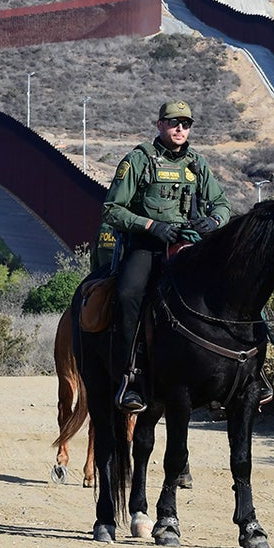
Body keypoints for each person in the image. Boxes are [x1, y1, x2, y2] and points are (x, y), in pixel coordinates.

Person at [102, 99, 231, 414]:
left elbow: (223, 205)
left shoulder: (198, 164)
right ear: (160, 124)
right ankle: (130, 378)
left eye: (186, 124)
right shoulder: (138, 160)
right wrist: (150, 225)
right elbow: (111, 209)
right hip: (147, 245)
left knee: (232, 287)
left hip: (189, 246)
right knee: (128, 294)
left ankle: (245, 373)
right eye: (174, 123)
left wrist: (212, 222)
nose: (180, 129)